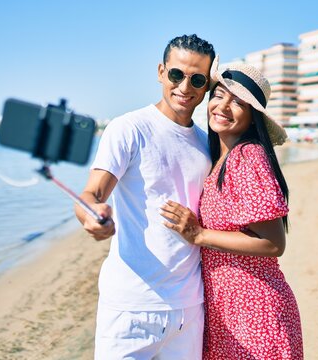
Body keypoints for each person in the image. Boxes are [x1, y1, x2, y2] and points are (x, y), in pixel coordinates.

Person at [74, 34, 215, 359]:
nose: (185, 87)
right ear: (161, 72)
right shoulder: (129, 128)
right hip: (130, 306)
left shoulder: (207, 143)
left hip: (188, 306)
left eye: (197, 79)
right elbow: (91, 194)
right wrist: (93, 217)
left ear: (206, 86)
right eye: (177, 75)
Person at [160, 63, 303, 359]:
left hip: (254, 309)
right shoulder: (218, 159)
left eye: (238, 102)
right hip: (229, 308)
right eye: (219, 95)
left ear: (253, 118)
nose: (223, 106)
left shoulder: (247, 157)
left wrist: (198, 234)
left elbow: (273, 243)